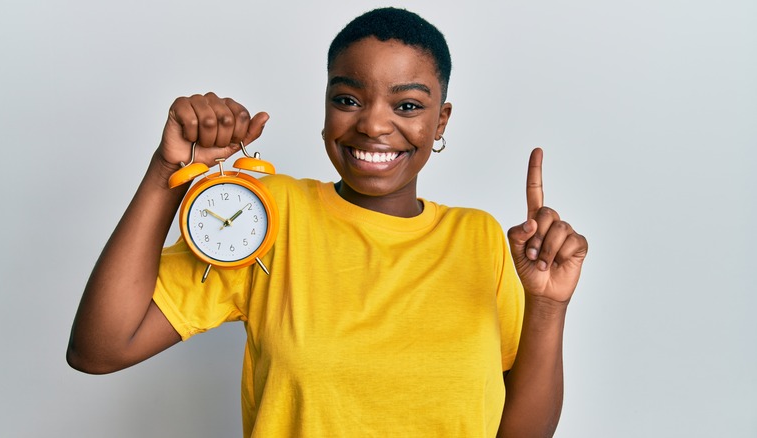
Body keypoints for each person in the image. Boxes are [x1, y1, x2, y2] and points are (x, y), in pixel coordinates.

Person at [67, 7, 587, 437]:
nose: (374, 124)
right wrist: (168, 171)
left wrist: (547, 306)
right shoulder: (270, 214)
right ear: (325, 104)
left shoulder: (480, 240)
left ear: (440, 121)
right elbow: (100, 349)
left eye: (407, 104)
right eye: (347, 99)